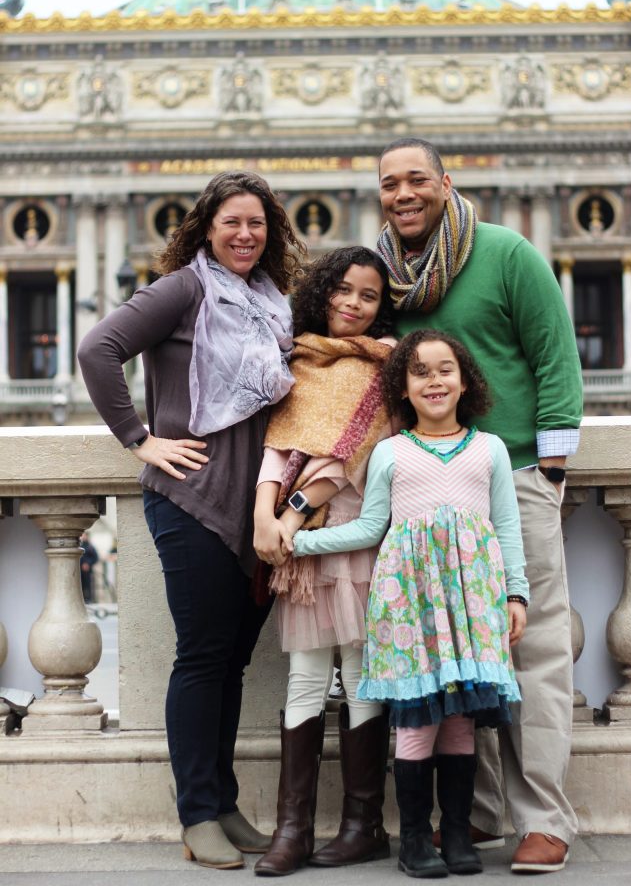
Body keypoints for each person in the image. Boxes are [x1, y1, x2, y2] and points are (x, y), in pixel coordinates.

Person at [77, 171, 304, 870]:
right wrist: (140, 438)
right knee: (204, 658)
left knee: (232, 663)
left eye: (257, 223)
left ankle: (224, 802)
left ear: (271, 234)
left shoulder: (273, 302)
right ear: (206, 226)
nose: (244, 234)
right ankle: (196, 812)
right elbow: (98, 350)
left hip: (255, 506)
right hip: (193, 498)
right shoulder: (184, 289)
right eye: (232, 221)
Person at [375, 138, 583, 875]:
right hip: (430, 488)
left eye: (416, 180)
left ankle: (544, 820)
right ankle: (480, 816)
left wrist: (550, 470)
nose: (403, 194)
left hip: (515, 471)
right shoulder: (387, 279)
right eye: (389, 183)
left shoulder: (504, 252)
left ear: (444, 183)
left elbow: (555, 354)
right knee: (459, 656)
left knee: (531, 651)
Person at [291, 330, 529, 878]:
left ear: (465, 379)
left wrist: (515, 593)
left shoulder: (488, 448)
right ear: (402, 387)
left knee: (461, 721)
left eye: (445, 369)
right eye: (419, 371)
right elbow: (372, 527)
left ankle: (460, 834)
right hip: (408, 607)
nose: (434, 380)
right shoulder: (390, 453)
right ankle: (416, 839)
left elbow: (507, 528)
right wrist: (301, 542)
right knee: (417, 722)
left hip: (472, 603)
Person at [252, 246, 396, 876]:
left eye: (368, 296)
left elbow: (341, 461)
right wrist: (263, 510)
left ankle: (364, 824)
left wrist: (289, 516)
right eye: (342, 290)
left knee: (363, 675)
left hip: (352, 537)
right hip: (296, 543)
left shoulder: (383, 370)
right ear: (320, 292)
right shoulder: (300, 359)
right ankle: (293, 829)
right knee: (307, 677)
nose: (352, 304)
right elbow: (279, 445)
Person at [79, 532, 99, 604]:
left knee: (88, 585)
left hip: (87, 571)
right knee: (80, 585)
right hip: (79, 570)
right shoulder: (79, 546)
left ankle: (89, 599)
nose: (83, 537)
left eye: (84, 535)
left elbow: (96, 558)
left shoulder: (91, 547)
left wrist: (88, 564)